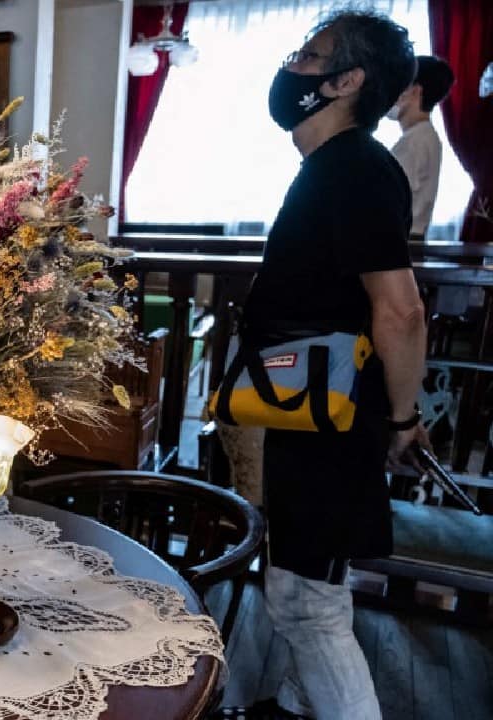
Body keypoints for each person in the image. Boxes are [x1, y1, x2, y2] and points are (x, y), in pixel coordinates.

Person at [236, 9, 429, 720]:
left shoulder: (355, 169)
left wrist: (403, 421)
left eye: (309, 55)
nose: (293, 66)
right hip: (314, 408)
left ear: (347, 81)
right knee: (312, 583)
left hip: (330, 416)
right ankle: (295, 705)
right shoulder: (336, 167)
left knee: (305, 603)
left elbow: (401, 310)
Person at [389, 55, 455, 239]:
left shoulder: (415, 141)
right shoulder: (425, 136)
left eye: (400, 84)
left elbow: (389, 200)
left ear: (415, 91)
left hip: (401, 238)